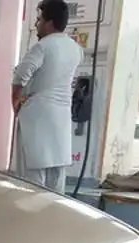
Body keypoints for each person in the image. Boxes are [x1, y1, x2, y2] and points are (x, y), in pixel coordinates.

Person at [11, 0, 83, 194]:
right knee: (56, 179)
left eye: (39, 19)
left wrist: (15, 100)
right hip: (61, 118)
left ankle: (32, 212)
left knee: (32, 181)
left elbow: (20, 77)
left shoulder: (42, 47)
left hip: (37, 116)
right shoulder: (75, 48)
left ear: (49, 22)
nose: (36, 24)